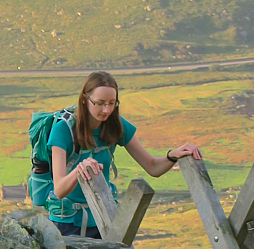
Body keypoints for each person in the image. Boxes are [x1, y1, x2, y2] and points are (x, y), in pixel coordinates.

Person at [46, 70, 201, 238]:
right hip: (69, 223)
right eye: (100, 103)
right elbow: (60, 189)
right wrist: (79, 170)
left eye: (112, 103)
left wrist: (173, 155)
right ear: (85, 100)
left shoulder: (115, 125)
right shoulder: (63, 130)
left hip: (106, 218)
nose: (106, 110)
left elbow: (152, 167)